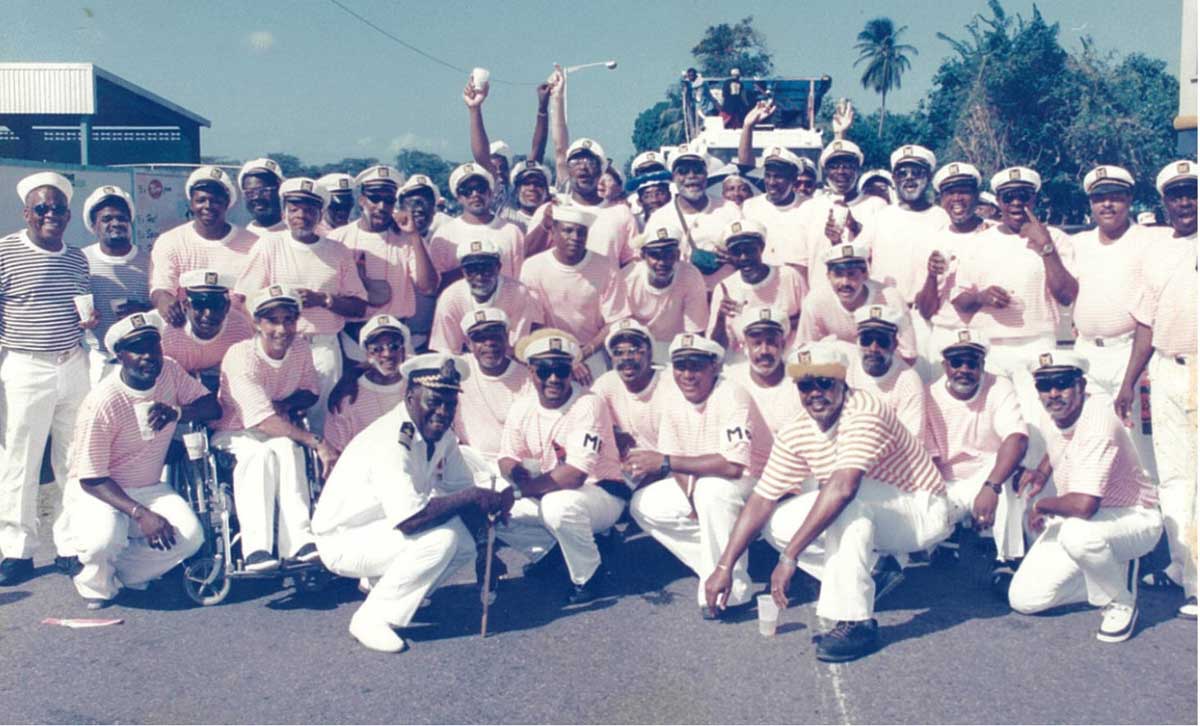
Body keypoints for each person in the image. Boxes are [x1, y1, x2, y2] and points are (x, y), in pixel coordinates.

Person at [706, 342, 952, 662]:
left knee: (841, 505)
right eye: (806, 385)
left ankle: (856, 621)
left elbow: (843, 488)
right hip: (875, 507)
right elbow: (762, 498)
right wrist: (724, 566)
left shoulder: (864, 409)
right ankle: (876, 571)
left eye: (824, 382)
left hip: (922, 509)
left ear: (842, 382)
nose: (815, 392)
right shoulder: (797, 429)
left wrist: (789, 558)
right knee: (776, 522)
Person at [313, 352, 510, 653]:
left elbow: (462, 490)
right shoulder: (393, 440)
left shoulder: (441, 435)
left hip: (377, 529)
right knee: (441, 540)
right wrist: (473, 497)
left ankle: (389, 593)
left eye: (450, 403)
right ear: (410, 396)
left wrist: (486, 545)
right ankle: (371, 619)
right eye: (433, 401)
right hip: (343, 539)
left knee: (464, 542)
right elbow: (411, 519)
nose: (443, 412)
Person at [60, 312, 218, 608]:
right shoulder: (103, 401)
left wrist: (178, 412)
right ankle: (93, 580)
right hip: (100, 491)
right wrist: (141, 514)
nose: (148, 357)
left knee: (191, 537)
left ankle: (121, 573)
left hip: (147, 485)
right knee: (102, 540)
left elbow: (212, 406)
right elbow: (91, 477)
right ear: (120, 355)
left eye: (153, 346)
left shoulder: (169, 370)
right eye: (137, 349)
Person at [1008, 352, 1161, 643]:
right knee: (1025, 599)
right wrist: (1042, 472)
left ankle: (1120, 601)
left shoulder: (1098, 423)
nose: (1053, 393)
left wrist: (1041, 504)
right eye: (1045, 385)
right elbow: (1061, 444)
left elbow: (1083, 506)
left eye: (1063, 383)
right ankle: (1106, 571)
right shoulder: (1053, 411)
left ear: (1081, 384)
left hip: (1132, 517)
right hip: (1090, 521)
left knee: (1078, 536)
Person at [628, 332, 771, 618]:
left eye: (696, 365)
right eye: (681, 366)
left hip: (756, 481)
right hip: (706, 479)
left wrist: (668, 464)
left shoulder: (732, 394)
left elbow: (733, 466)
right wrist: (690, 497)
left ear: (714, 367)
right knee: (643, 504)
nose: (687, 374)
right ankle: (717, 567)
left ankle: (734, 593)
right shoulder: (673, 398)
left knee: (711, 491)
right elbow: (673, 459)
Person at [0, 172, 97, 586]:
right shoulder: (4, 252)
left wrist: (87, 321)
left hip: (72, 363)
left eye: (58, 209)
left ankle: (69, 544)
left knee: (72, 457)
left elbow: (80, 307)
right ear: (27, 213)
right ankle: (16, 550)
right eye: (42, 208)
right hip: (25, 365)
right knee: (19, 460)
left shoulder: (77, 258)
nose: (50, 215)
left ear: (69, 214)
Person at [1115, 159, 1198, 618]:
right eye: (1177, 194)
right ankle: (1182, 565)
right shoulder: (1159, 251)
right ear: (1164, 201)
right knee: (1173, 475)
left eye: (1193, 192)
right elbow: (1145, 324)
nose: (1186, 202)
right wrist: (1129, 380)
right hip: (1167, 369)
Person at [210, 285, 339, 571]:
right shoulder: (240, 355)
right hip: (236, 431)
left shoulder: (301, 347)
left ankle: (300, 542)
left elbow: (310, 391)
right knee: (261, 455)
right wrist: (317, 441)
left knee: (285, 446)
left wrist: (287, 402)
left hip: (276, 428)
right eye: (273, 320)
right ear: (257, 323)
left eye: (288, 319)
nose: (282, 329)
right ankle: (256, 549)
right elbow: (261, 420)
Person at [497, 330, 627, 604]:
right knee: (489, 505)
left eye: (561, 369)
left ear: (572, 370)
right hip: (547, 487)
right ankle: (549, 553)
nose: (554, 378)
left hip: (600, 493)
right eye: (544, 371)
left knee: (559, 507)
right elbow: (506, 457)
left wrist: (521, 491)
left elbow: (575, 474)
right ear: (531, 371)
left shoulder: (588, 404)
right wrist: (513, 472)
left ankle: (588, 575)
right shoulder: (522, 407)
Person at [952, 167, 1077, 447]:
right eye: (1009, 197)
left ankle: (1040, 489)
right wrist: (982, 297)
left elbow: (1066, 295)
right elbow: (960, 301)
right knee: (993, 430)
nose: (1017, 204)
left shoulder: (1055, 238)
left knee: (1040, 428)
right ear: (998, 201)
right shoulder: (980, 241)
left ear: (1035, 199)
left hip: (1038, 345)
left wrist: (1045, 246)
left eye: (1024, 196)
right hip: (991, 349)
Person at [236, 177, 369, 433]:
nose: (301, 216)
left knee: (323, 421)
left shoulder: (338, 251)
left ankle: (323, 468)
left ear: (320, 213)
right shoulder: (267, 245)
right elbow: (243, 300)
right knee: (276, 417)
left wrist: (324, 300)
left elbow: (359, 305)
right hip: (278, 348)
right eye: (294, 209)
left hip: (323, 347)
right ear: (284, 212)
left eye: (309, 210)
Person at [1066, 165, 1157, 476]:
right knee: (1091, 437)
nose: (1107, 205)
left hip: (1131, 352)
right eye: (1099, 198)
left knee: (1138, 441)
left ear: (1129, 199)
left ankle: (1150, 515)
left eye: (1115, 197)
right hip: (1087, 353)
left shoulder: (1150, 240)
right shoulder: (1078, 244)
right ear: (1090, 203)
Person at [926, 330, 1029, 591]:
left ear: (982, 365)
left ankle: (1007, 560)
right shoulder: (929, 394)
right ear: (944, 365)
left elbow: (1016, 438)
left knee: (1009, 475)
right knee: (925, 526)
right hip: (943, 481)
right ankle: (945, 538)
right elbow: (927, 459)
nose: (964, 369)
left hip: (985, 477)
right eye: (956, 362)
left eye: (972, 363)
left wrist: (991, 486)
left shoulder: (999, 386)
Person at [327, 165, 438, 361]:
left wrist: (414, 235)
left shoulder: (408, 238)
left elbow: (428, 287)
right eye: (374, 198)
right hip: (352, 336)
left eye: (388, 200)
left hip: (396, 336)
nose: (381, 206)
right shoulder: (337, 238)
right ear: (362, 200)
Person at [519, 205, 632, 384]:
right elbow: (534, 323)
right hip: (548, 348)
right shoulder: (532, 267)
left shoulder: (606, 266)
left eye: (581, 232)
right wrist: (566, 354)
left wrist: (583, 353)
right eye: (568, 231)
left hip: (592, 351)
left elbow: (614, 320)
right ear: (553, 232)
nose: (575, 238)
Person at [149, 166, 257, 328]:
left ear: (227, 204)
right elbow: (161, 288)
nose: (208, 206)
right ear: (191, 203)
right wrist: (164, 300)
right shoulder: (170, 241)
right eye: (201, 200)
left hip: (240, 334)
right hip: (187, 335)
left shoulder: (254, 243)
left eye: (215, 201)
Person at [914, 162, 990, 379]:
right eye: (949, 193)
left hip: (986, 335)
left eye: (964, 191)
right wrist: (931, 275)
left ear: (976, 195)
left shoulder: (994, 233)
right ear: (941, 200)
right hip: (945, 335)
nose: (957, 199)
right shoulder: (932, 240)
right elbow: (926, 311)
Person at [855, 145, 949, 310]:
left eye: (917, 173)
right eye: (902, 173)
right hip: (883, 310)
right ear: (894, 178)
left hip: (926, 315)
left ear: (928, 176)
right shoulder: (880, 218)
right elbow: (854, 257)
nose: (909, 178)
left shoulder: (942, 218)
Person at [644, 142, 742, 290]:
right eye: (683, 171)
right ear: (673, 177)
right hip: (681, 301)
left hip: (726, 298)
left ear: (706, 174)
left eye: (697, 171)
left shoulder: (730, 210)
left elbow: (749, 255)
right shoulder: (659, 218)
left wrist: (735, 258)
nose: (691, 176)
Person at [80, 185, 152, 383]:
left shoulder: (150, 262)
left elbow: (165, 310)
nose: (115, 223)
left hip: (142, 359)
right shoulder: (81, 261)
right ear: (94, 226)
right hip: (100, 360)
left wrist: (144, 311)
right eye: (106, 219)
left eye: (121, 218)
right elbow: (68, 307)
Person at [797, 243, 917, 363]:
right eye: (838, 274)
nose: (845, 282)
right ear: (828, 276)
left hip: (881, 370)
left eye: (852, 274)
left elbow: (908, 355)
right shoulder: (816, 301)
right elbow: (804, 350)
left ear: (864, 274)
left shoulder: (891, 299)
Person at [528, 137, 639, 266]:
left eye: (590, 162)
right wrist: (545, 225)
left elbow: (632, 263)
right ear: (568, 170)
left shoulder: (621, 213)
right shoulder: (550, 210)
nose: (583, 167)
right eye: (575, 161)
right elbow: (527, 256)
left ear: (601, 170)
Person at [793, 140, 887, 284]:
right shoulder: (809, 208)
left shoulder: (877, 205)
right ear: (825, 172)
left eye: (847, 166)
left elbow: (881, 258)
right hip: (820, 296)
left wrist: (855, 227)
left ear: (858, 170)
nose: (841, 172)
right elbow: (801, 263)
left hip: (863, 297)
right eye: (834, 167)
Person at [708, 219, 805, 357]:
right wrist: (721, 318)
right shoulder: (725, 288)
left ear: (762, 248)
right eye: (736, 252)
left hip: (790, 356)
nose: (743, 257)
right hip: (744, 362)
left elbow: (809, 323)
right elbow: (717, 348)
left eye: (750, 250)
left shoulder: (789, 276)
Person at [428, 238, 544, 354]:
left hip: (504, 357)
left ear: (498, 268)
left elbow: (516, 346)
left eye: (486, 268)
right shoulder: (450, 297)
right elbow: (447, 350)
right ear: (463, 272)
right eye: (472, 270)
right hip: (466, 357)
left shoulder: (518, 292)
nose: (480, 277)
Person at [738, 102, 810, 267]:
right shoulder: (750, 207)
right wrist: (747, 126)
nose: (771, 182)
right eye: (768, 175)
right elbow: (745, 166)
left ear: (793, 179)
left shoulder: (809, 207)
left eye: (779, 177)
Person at [324, 314, 410, 453]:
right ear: (367, 354)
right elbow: (337, 451)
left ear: (404, 350)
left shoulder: (417, 388)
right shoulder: (348, 397)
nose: (387, 353)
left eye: (394, 346)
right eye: (377, 348)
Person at [430, 163, 527, 284]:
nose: (475, 194)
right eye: (467, 191)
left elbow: (520, 279)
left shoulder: (512, 232)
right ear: (458, 197)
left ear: (490, 193)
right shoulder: (443, 235)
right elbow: (435, 283)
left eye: (480, 188)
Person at [621, 224, 707, 358]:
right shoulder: (628, 278)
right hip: (637, 347)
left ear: (678, 255)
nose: (662, 262)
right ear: (643, 255)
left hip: (677, 347)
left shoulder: (691, 276)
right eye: (655, 256)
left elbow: (695, 332)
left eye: (669, 255)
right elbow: (623, 328)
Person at [845, 304, 928, 442]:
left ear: (895, 344)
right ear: (857, 341)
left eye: (882, 341)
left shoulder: (908, 380)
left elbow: (911, 441)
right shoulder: (845, 368)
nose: (873, 348)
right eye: (866, 340)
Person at [160, 270, 254, 389]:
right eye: (200, 304)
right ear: (186, 305)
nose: (208, 314)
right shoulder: (165, 332)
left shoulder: (240, 328)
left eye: (216, 305)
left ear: (227, 306)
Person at [591, 319, 668, 463]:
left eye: (634, 351)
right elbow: (587, 419)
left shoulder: (669, 385)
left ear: (649, 354)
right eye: (618, 352)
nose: (626, 358)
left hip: (667, 470)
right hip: (626, 470)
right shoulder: (607, 383)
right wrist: (613, 434)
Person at [723, 306, 804, 436]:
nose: (764, 351)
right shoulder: (731, 381)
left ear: (783, 345)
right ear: (745, 346)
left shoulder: (801, 381)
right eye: (757, 343)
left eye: (771, 343)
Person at [238, 157, 286, 238]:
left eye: (264, 190)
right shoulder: (242, 238)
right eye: (250, 192)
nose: (256, 197)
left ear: (279, 190)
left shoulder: (295, 234)